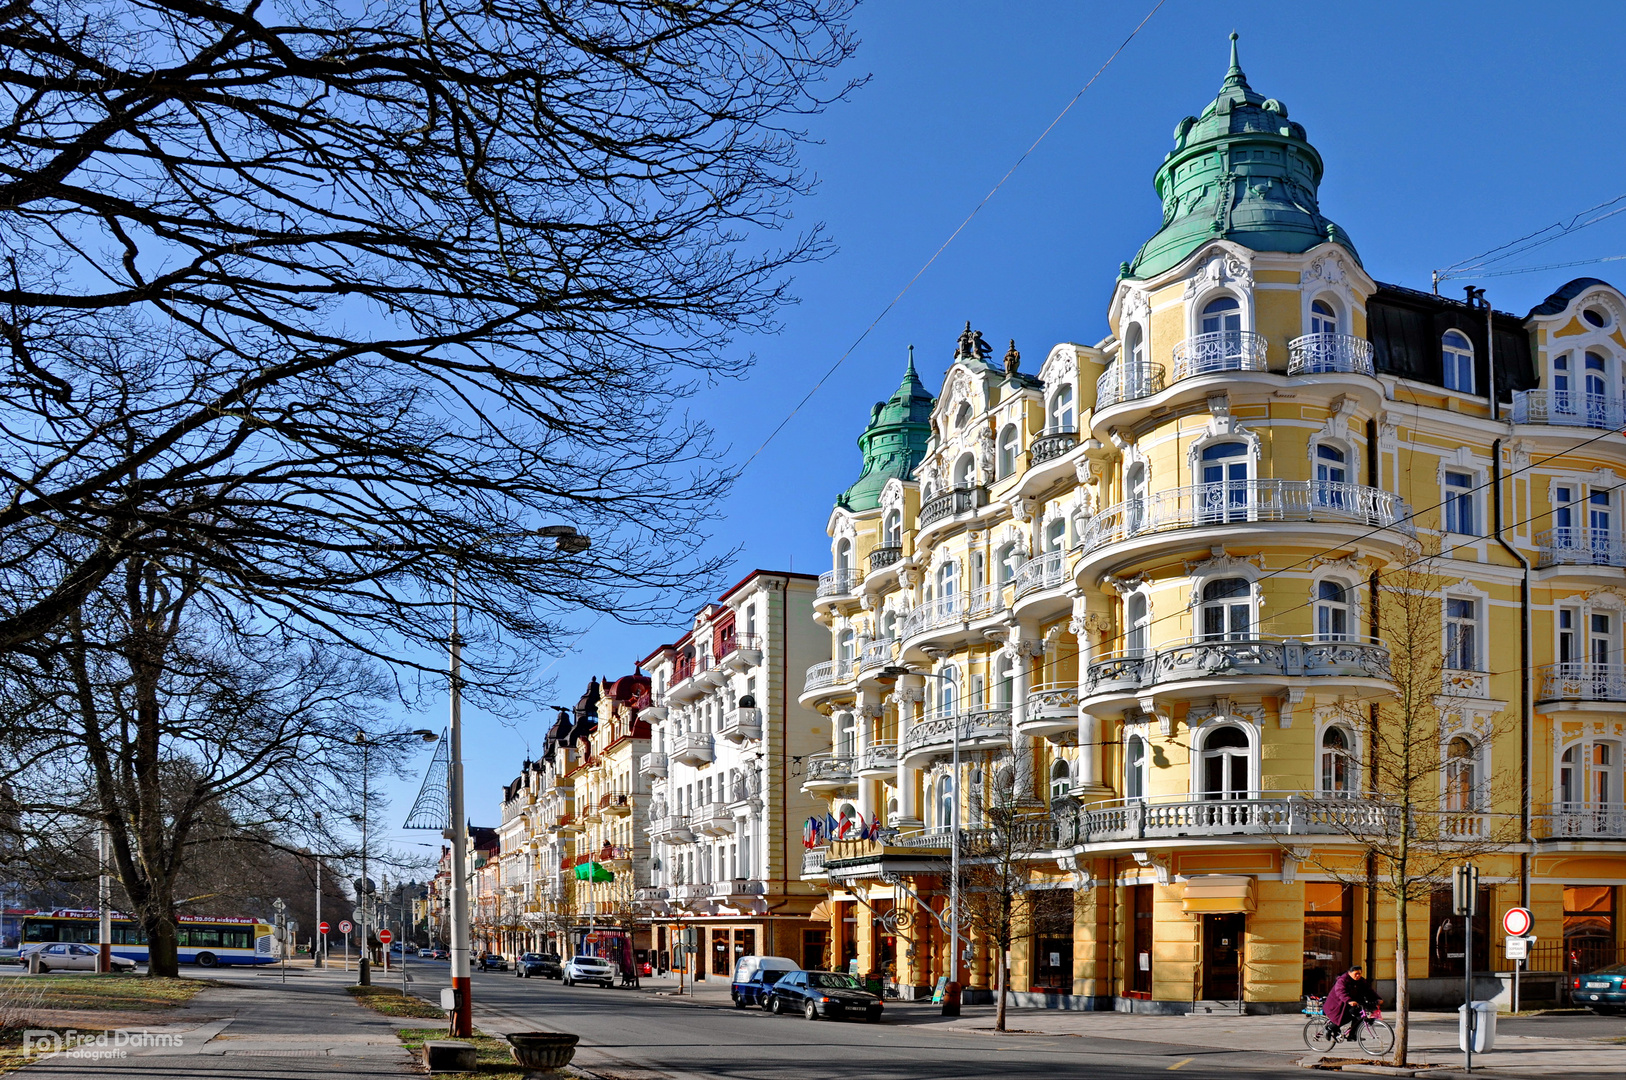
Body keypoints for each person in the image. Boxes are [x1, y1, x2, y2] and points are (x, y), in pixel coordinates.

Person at [1322, 965, 1380, 1041]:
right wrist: (1349, 1001)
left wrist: (1377, 998)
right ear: (1349, 973)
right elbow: (1340, 992)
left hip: (1352, 1003)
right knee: (1344, 1018)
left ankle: (1352, 1035)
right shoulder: (1342, 980)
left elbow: (1369, 990)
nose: (1358, 975)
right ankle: (1329, 1028)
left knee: (1359, 1017)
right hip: (1337, 1004)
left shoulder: (1361, 981)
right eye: (1356, 973)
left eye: (1359, 973)